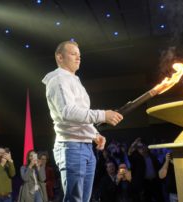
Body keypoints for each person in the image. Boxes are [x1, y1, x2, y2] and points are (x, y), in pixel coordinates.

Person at [42, 40, 123, 202]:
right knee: (75, 199)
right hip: (72, 146)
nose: (78, 58)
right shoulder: (59, 79)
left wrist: (94, 134)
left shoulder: (73, 80)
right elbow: (68, 112)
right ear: (59, 57)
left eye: (79, 55)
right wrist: (103, 115)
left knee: (83, 199)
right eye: (73, 54)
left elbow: (80, 115)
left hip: (84, 146)